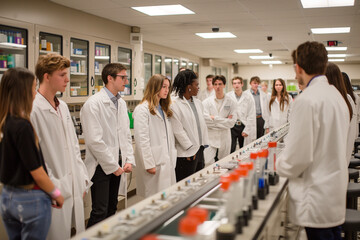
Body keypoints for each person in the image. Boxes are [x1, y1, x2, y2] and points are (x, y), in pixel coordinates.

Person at [276, 41, 350, 240]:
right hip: (333, 193)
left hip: (316, 197)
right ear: (324, 65)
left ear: (298, 68)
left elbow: (298, 158)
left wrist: (277, 164)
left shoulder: (307, 100)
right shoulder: (336, 95)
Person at [31, 53, 90, 239]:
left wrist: (80, 180)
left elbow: (73, 146)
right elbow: (35, 155)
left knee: (71, 233)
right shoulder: (33, 109)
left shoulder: (62, 106)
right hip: (51, 187)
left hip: (71, 182)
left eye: (67, 74)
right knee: (53, 234)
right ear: (46, 77)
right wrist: (53, 187)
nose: (67, 79)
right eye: (62, 75)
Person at [0, 68, 64, 240]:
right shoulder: (23, 126)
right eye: (33, 88)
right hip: (30, 199)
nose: (35, 93)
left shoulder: (5, 122)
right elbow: (36, 171)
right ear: (24, 91)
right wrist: (56, 194)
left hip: (7, 197)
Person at [80, 63, 135, 228]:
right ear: (109, 78)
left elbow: (125, 134)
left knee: (112, 208)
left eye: (126, 77)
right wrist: (112, 165)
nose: (126, 80)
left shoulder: (121, 103)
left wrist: (128, 160)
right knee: (100, 211)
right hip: (100, 166)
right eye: (122, 77)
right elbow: (94, 141)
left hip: (118, 165)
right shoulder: (93, 104)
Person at [133, 74, 177, 198]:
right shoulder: (142, 110)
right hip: (154, 163)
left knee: (167, 198)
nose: (167, 90)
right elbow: (142, 140)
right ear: (154, 87)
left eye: (168, 87)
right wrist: (149, 164)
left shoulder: (163, 108)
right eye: (164, 87)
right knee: (153, 200)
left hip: (166, 159)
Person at [170, 70, 209, 181]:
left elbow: (201, 125)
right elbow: (178, 130)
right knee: (185, 184)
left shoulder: (198, 103)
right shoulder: (174, 104)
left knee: (198, 182)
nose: (198, 88)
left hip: (199, 149)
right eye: (196, 85)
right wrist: (189, 149)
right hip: (186, 153)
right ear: (189, 87)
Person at [202, 75, 237, 166]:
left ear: (224, 85)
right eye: (215, 84)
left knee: (224, 163)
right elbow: (205, 120)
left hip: (224, 136)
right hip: (211, 137)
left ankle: (222, 180)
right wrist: (224, 120)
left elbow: (232, 123)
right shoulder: (206, 102)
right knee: (208, 162)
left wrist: (214, 118)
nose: (218, 87)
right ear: (213, 85)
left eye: (220, 84)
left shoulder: (231, 102)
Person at [325, 62, 355, 162]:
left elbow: (350, 134)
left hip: (338, 160)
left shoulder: (347, 99)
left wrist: (344, 161)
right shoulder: (325, 98)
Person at [226, 76, 256, 152]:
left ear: (242, 84)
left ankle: (244, 164)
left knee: (244, 150)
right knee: (231, 148)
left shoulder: (249, 97)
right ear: (232, 85)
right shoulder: (228, 96)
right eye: (234, 83)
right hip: (232, 126)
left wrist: (247, 130)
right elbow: (225, 110)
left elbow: (251, 114)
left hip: (243, 125)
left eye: (238, 83)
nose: (236, 85)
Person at [343, 71, 360, 136]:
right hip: (353, 127)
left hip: (350, 126)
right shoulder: (355, 96)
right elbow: (358, 115)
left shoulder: (353, 96)